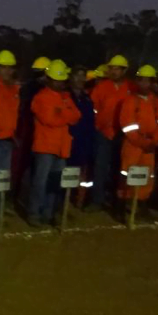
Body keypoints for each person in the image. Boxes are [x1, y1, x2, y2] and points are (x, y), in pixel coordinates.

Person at [27, 60, 80, 227]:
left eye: (61, 80)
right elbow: (49, 120)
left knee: (54, 183)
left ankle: (48, 213)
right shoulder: (41, 97)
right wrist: (65, 114)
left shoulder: (65, 97)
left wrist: (61, 113)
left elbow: (76, 116)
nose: (59, 83)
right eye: (56, 79)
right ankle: (34, 213)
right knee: (40, 183)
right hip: (45, 147)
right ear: (48, 79)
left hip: (61, 147)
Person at [117, 68, 158, 203]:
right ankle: (124, 202)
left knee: (146, 174)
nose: (145, 84)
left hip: (149, 144)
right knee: (127, 173)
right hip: (133, 144)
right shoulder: (130, 101)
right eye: (142, 80)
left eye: (148, 81)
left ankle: (140, 202)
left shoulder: (156, 102)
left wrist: (155, 141)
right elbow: (128, 126)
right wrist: (143, 143)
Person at [89, 55, 131, 209]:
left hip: (124, 134)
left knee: (119, 168)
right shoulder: (102, 87)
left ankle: (116, 199)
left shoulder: (130, 88)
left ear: (124, 70)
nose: (113, 71)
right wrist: (97, 127)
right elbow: (93, 109)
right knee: (100, 167)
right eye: (111, 68)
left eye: (116, 69)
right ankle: (97, 200)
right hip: (103, 133)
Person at [0, 50, 22, 212]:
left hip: (8, 140)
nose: (8, 71)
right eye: (4, 67)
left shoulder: (15, 90)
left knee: (2, 180)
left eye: (10, 68)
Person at [65, 63, 96, 208]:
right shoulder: (65, 95)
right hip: (67, 140)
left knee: (80, 172)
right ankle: (62, 201)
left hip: (83, 141)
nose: (80, 79)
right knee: (65, 172)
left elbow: (90, 121)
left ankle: (78, 199)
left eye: (83, 76)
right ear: (71, 77)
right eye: (77, 75)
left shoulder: (87, 99)